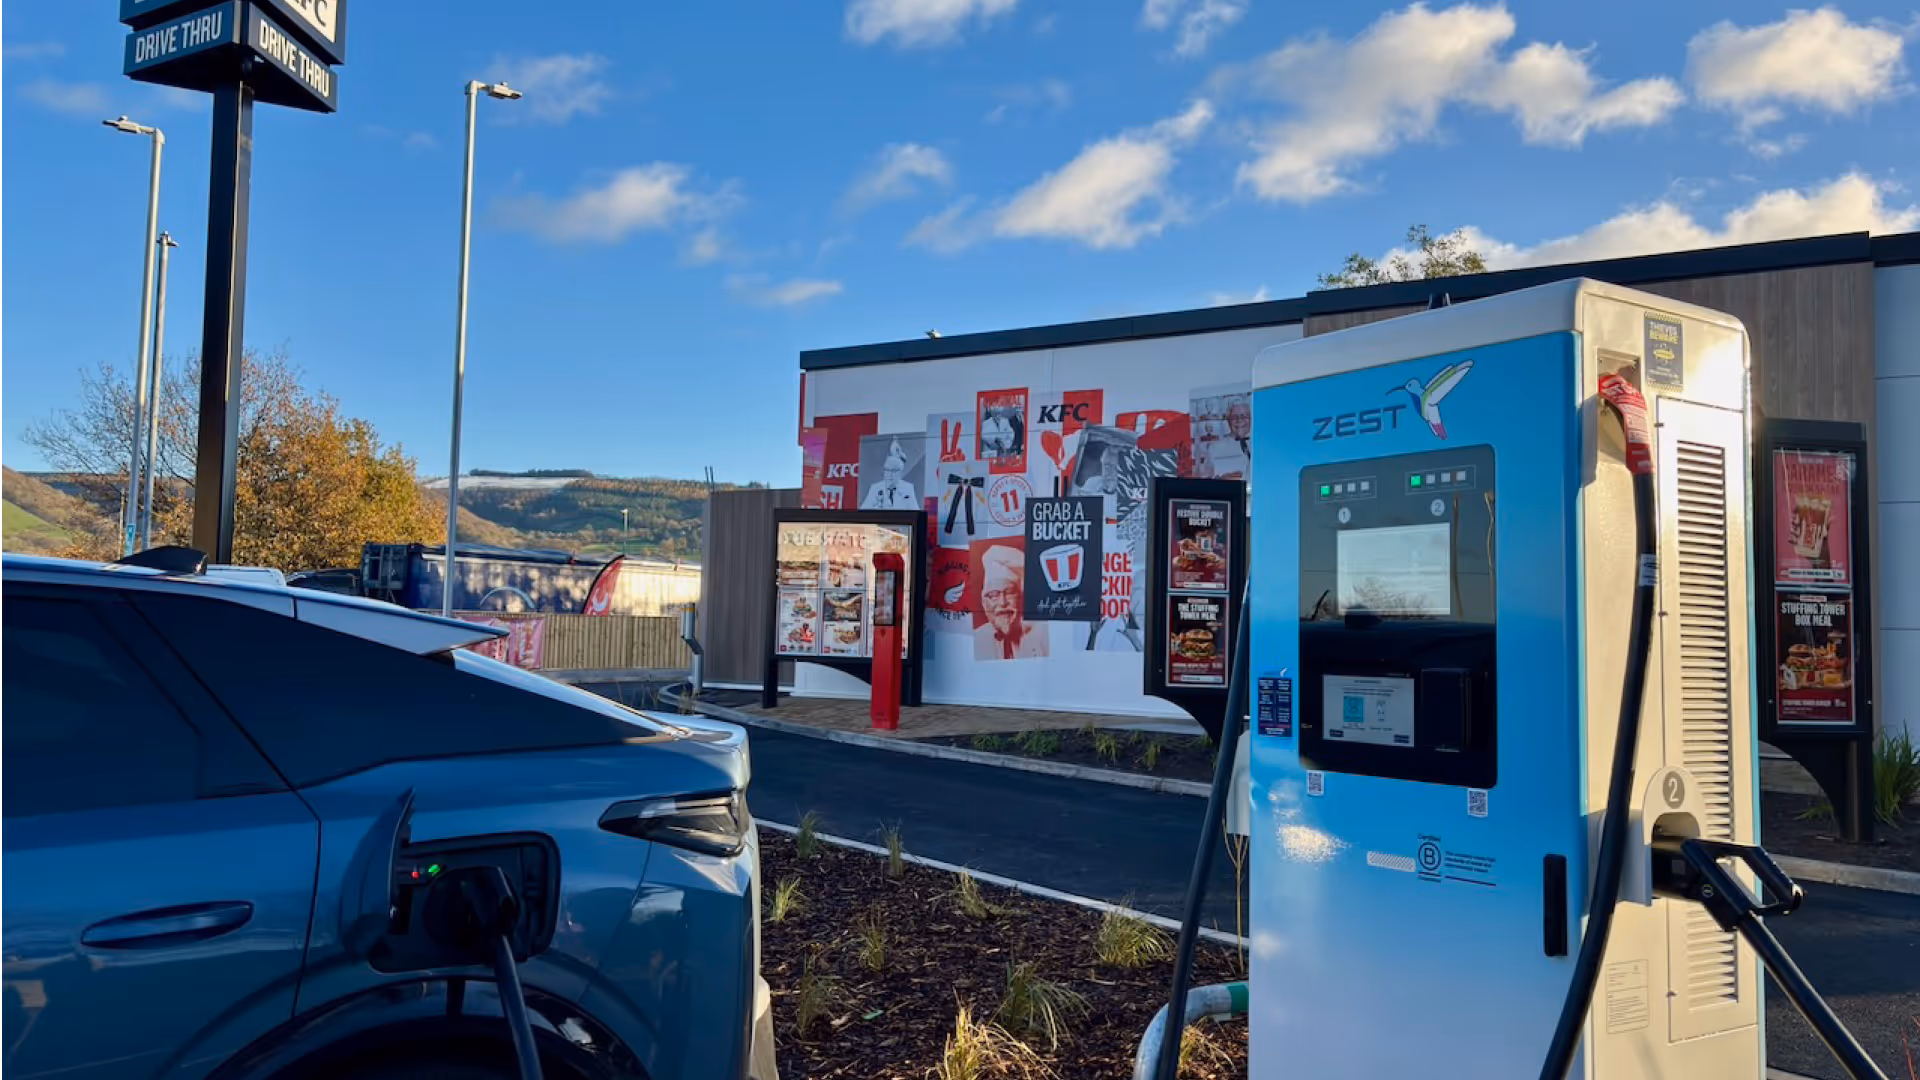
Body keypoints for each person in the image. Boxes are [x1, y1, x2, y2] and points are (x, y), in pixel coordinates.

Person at [974, 545, 1048, 660]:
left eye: (1009, 592)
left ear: (1021, 597)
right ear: (984, 603)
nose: (1002, 602)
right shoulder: (976, 640)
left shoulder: (1043, 634)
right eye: (994, 595)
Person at [861, 439, 917, 509]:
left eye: (894, 471)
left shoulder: (908, 488)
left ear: (900, 472)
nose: (890, 475)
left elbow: (916, 512)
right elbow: (863, 511)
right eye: (888, 470)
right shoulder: (875, 488)